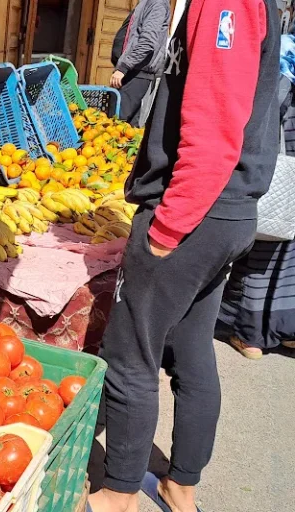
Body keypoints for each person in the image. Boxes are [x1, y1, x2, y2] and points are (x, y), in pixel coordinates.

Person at [88, 0, 280, 511]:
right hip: (221, 215)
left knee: (131, 356)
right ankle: (180, 486)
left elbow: (215, 131)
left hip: (198, 212)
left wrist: (165, 230)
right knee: (192, 350)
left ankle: (119, 492)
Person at [218, 33, 295, 360]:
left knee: (263, 244)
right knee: (290, 253)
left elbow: (266, 110)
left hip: (279, 163)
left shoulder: (285, 50)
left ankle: (250, 336)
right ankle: (288, 330)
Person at [109, 0, 170, 126]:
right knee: (126, 127)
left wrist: (124, 67)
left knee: (116, 125)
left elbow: (147, 42)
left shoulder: (157, 3)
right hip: (132, 72)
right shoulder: (147, 3)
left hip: (137, 73)